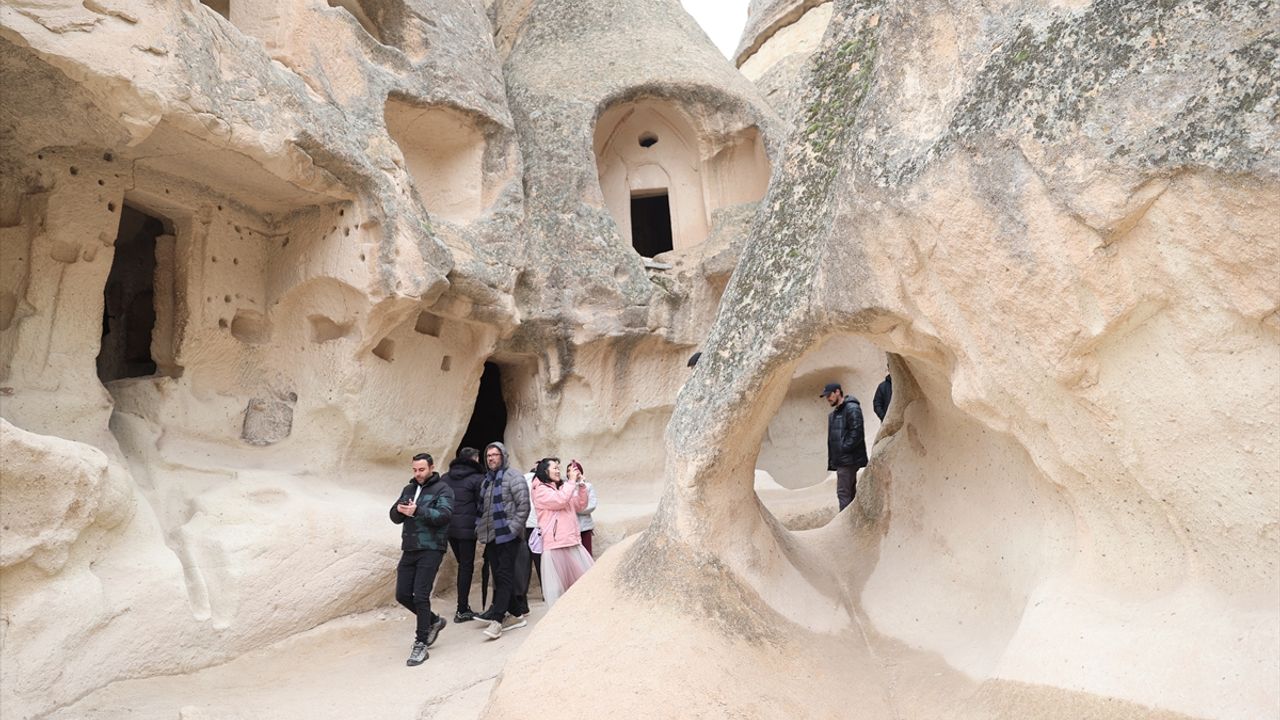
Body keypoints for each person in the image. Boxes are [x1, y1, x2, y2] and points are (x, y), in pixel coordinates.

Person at [390, 453, 454, 666]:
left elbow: (444, 515)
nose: (418, 474)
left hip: (432, 548)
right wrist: (398, 510)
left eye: (421, 470)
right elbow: (394, 517)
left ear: (431, 468)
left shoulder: (443, 489)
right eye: (415, 470)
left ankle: (421, 643)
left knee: (420, 595)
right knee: (402, 594)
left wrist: (418, 510)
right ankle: (434, 621)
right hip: (410, 547)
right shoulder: (408, 489)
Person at [474, 442, 531, 640]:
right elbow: (482, 509)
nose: (491, 458)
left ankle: (497, 619)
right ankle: (516, 614)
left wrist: (513, 530)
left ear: (503, 456)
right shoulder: (487, 481)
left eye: (495, 455)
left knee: (504, 575)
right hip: (491, 536)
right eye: (488, 455)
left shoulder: (514, 476)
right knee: (499, 577)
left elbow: (523, 506)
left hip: (508, 535)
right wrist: (479, 527)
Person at [530, 457, 594, 607]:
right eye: (555, 468)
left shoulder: (562, 487)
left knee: (585, 583)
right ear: (545, 471)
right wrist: (571, 481)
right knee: (558, 591)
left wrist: (581, 485)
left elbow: (580, 505)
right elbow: (560, 501)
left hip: (571, 540)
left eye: (559, 468)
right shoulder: (539, 490)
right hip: (555, 545)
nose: (558, 471)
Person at [442, 447, 484, 622]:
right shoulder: (477, 479)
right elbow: (482, 504)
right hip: (467, 530)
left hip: (449, 528)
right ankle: (462, 609)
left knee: (463, 565)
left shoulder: (445, 478)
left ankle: (462, 607)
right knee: (466, 567)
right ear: (475, 459)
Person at [821, 382, 868, 511]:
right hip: (843, 460)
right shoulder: (835, 414)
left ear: (837, 392)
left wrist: (844, 448)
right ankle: (853, 519)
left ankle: (844, 521)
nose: (828, 398)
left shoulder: (852, 408)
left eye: (829, 395)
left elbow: (857, 432)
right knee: (849, 493)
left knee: (843, 493)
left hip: (848, 459)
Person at [569, 460, 598, 556]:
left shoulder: (588, 486)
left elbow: (592, 505)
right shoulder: (566, 487)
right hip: (571, 528)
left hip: (585, 526)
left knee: (587, 553)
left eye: (575, 470)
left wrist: (575, 509)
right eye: (569, 471)